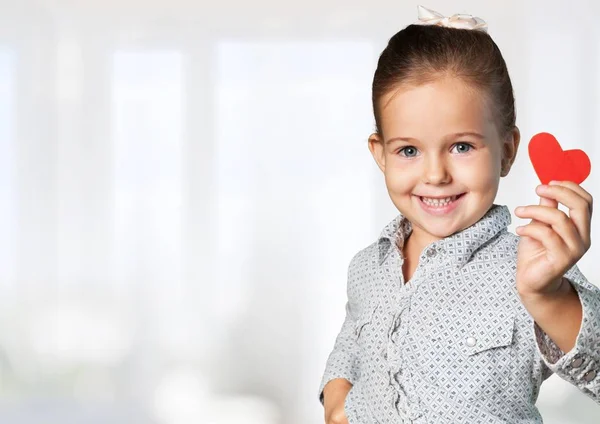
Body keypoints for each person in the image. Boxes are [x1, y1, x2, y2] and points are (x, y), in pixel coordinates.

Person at [318, 5, 599, 424]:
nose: (435, 174)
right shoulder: (366, 267)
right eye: (408, 150)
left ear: (506, 149)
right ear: (380, 154)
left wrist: (548, 297)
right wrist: (337, 401)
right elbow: (350, 347)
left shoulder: (534, 267)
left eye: (462, 146)